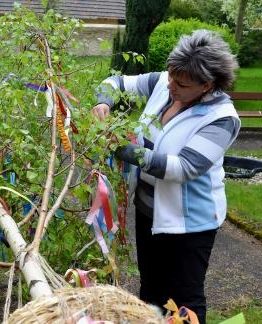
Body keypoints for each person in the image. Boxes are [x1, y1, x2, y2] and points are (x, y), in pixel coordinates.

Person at [92, 30, 240, 323]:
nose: (171, 85)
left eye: (181, 83)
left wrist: (123, 148)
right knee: (152, 290)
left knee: (185, 298)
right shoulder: (165, 82)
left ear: (206, 85)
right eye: (171, 76)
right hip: (149, 213)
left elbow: (182, 168)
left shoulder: (222, 118)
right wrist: (104, 102)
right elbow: (116, 82)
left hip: (189, 226)